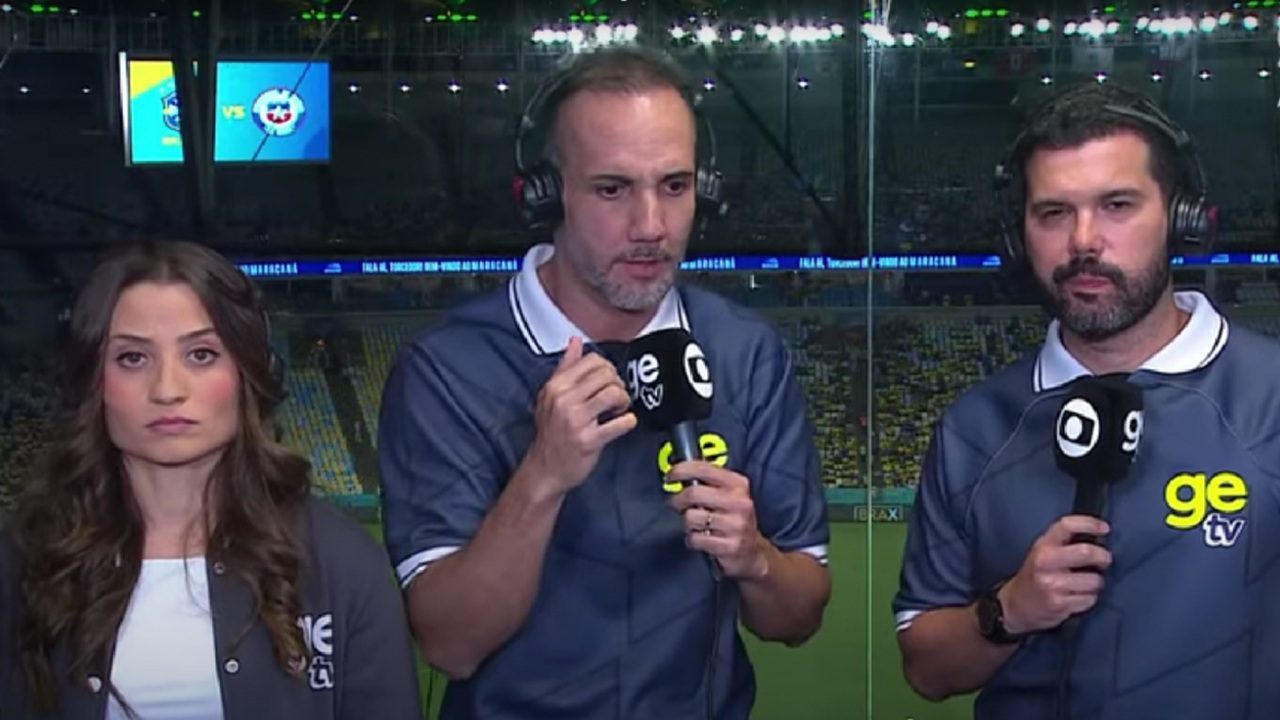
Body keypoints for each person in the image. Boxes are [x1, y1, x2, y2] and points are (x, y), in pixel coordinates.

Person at [378, 46, 831, 719]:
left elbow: (796, 618)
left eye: (674, 186)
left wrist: (755, 557)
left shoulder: (744, 351)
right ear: (544, 194)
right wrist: (543, 474)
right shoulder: (448, 370)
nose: (650, 226)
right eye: (612, 189)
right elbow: (451, 644)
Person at [893, 81, 1280, 718]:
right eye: (1054, 213)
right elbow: (927, 669)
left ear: (1181, 217)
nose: (1083, 241)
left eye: (1117, 205)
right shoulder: (974, 428)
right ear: (1020, 236)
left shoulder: (1267, 398)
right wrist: (1009, 609)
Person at [0, 241, 421, 719]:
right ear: (93, 384)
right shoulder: (22, 565)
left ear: (246, 373)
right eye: (133, 359)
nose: (167, 390)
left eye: (200, 354)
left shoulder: (342, 563)